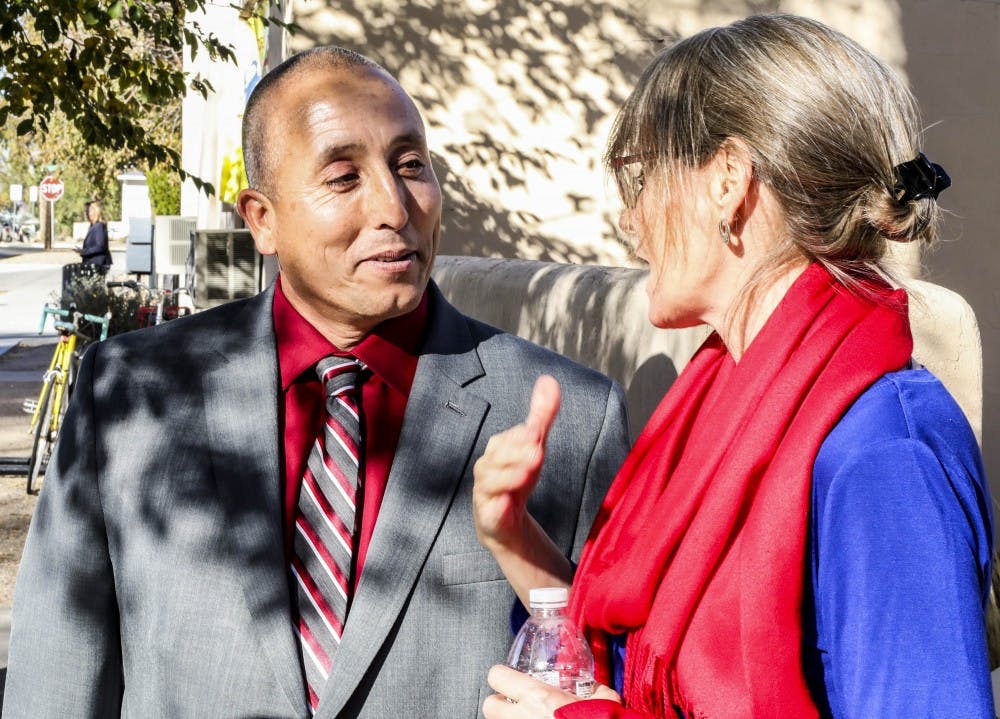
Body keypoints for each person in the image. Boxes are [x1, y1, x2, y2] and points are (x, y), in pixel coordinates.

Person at [2, 47, 630, 718]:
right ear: (262, 219)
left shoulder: (571, 420)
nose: (394, 205)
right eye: (342, 176)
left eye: (411, 165)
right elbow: (55, 685)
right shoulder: (129, 396)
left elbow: (611, 673)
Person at [474, 14, 994, 719]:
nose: (631, 217)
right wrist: (513, 534)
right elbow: (637, 668)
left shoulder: (886, 453)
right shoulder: (725, 397)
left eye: (641, 173)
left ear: (728, 180)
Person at [79, 199, 112, 268]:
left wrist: (84, 251)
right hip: (92, 263)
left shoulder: (99, 226)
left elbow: (100, 246)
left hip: (98, 264)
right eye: (86, 211)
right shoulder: (93, 226)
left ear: (95, 212)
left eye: (89, 211)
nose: (87, 213)